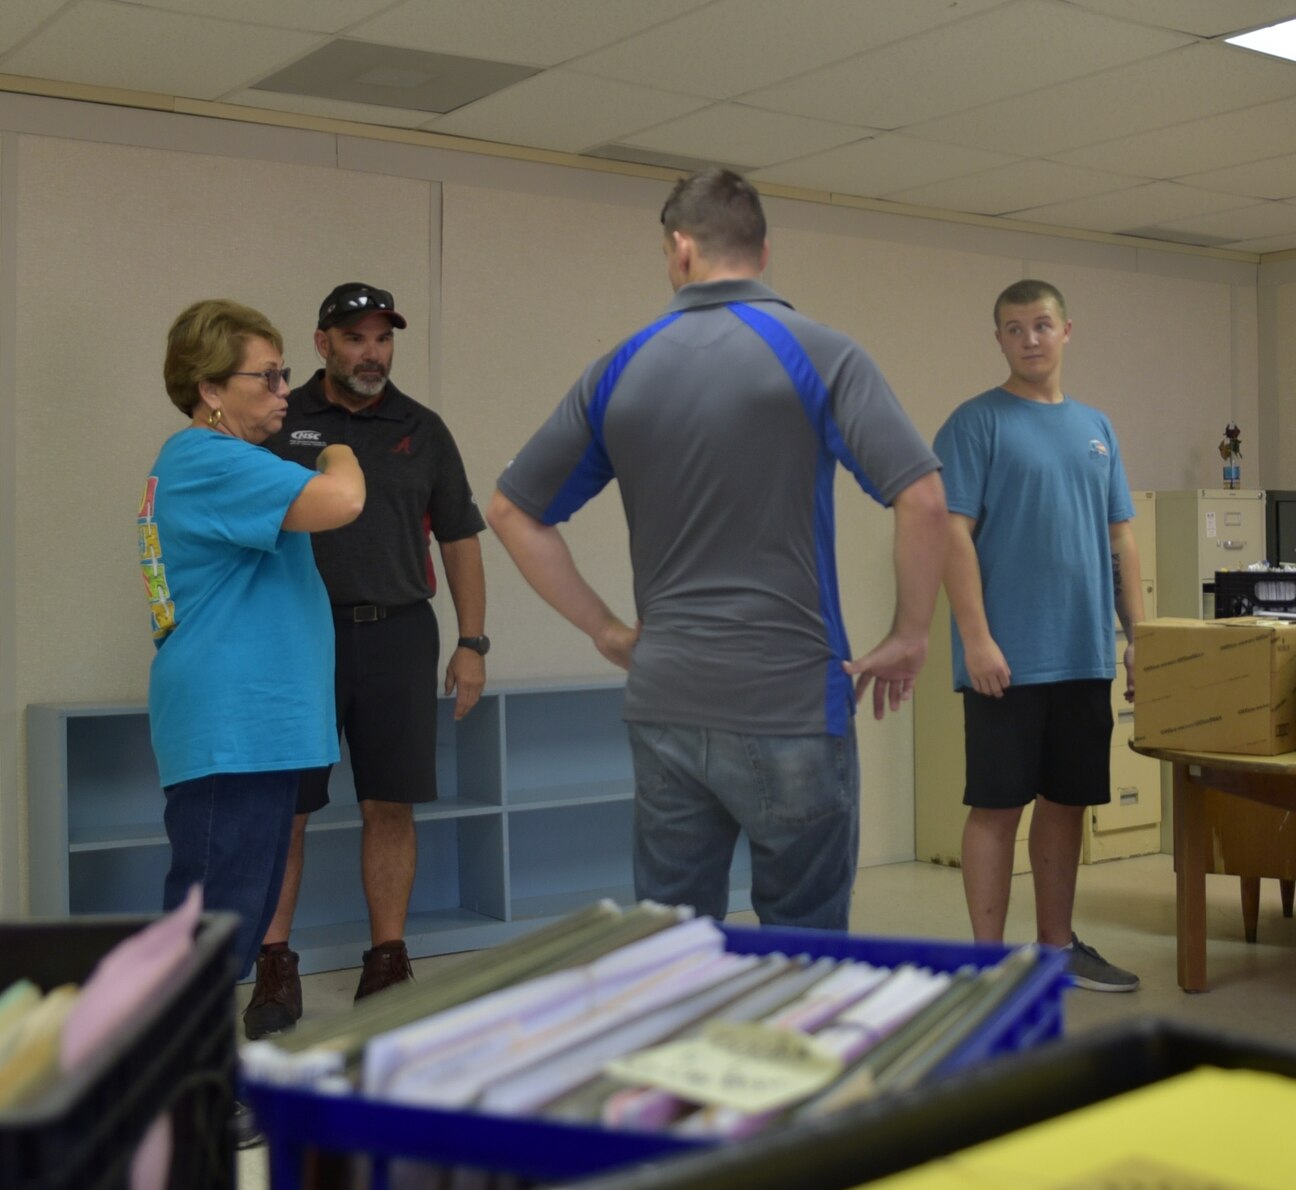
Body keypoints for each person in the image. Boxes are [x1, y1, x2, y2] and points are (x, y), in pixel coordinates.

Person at [487, 168, 947, 931]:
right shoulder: (823, 353)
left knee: (673, 943)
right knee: (804, 946)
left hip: (667, 701)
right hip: (791, 702)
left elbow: (511, 511)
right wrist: (910, 632)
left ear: (679, 250)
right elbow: (924, 498)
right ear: (764, 252)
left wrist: (606, 630)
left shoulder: (618, 368)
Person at [239, 282, 490, 1039]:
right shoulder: (280, 424)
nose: (371, 352)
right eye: (355, 338)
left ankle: (386, 960)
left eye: (382, 338)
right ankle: (274, 964)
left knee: (391, 803)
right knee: (286, 807)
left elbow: (460, 538)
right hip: (296, 637)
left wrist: (472, 642)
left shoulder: (424, 428)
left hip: (399, 633)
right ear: (322, 344)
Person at [144, 298, 364, 990]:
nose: (282, 393)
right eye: (265, 378)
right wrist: (338, 445)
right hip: (231, 728)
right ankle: (175, 1091)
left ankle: (198, 1080)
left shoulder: (223, 460)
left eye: (283, 374)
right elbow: (342, 501)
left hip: (258, 728)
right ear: (210, 389)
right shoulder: (207, 457)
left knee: (235, 924)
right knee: (210, 929)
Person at [934, 278, 1145, 993]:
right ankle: (987, 965)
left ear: (1067, 331)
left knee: (1067, 802)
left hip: (1083, 653)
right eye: (1015, 327)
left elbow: (1121, 539)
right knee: (997, 805)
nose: (1030, 338)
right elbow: (950, 534)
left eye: (1042, 325)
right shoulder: (975, 424)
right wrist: (976, 638)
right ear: (998, 338)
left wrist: (1139, 636)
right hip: (1006, 659)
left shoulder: (1098, 427)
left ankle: (1057, 948)